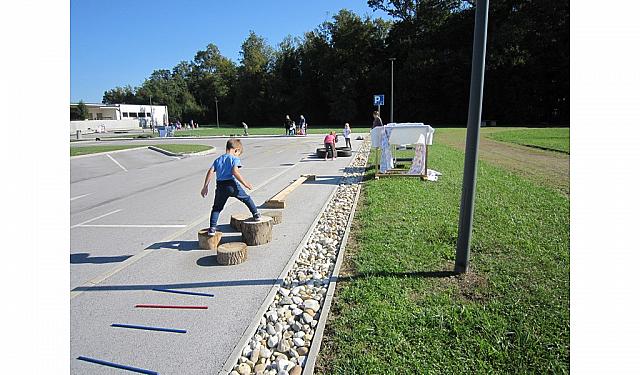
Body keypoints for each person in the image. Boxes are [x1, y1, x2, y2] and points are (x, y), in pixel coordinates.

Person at [200, 138, 261, 236]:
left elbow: (210, 171)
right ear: (236, 150)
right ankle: (256, 214)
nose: (238, 155)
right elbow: (235, 171)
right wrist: (245, 183)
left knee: (216, 208)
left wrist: (205, 186)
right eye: (238, 153)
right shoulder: (234, 158)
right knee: (246, 198)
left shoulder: (218, 159)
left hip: (220, 186)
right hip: (231, 184)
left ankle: (212, 229)